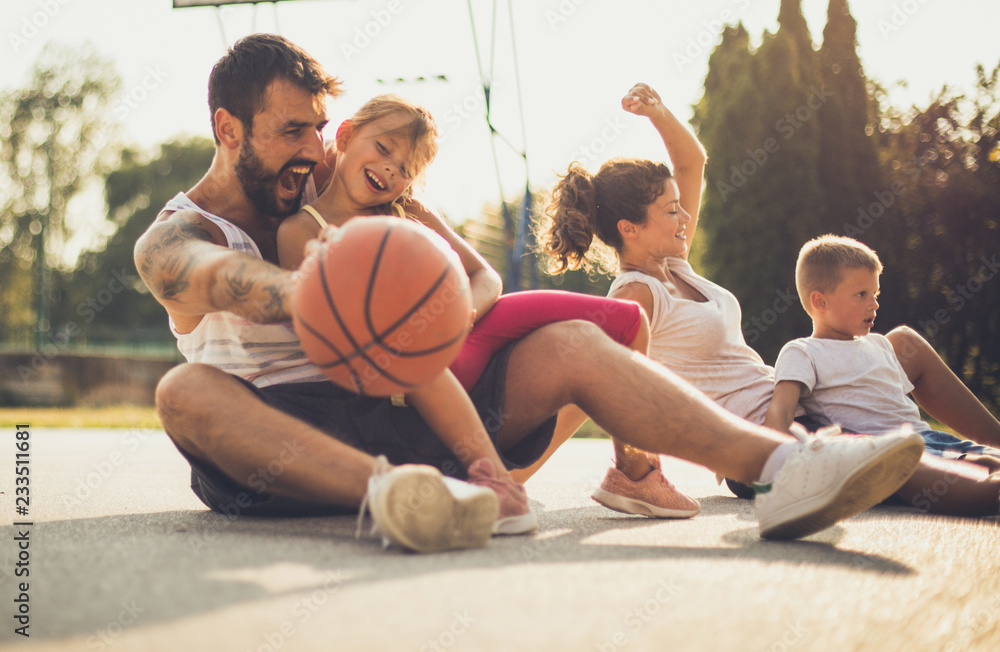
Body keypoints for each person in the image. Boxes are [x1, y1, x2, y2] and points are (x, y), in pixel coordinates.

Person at [135, 35, 924, 553]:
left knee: (576, 340)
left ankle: (784, 468)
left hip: (403, 415)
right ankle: (396, 499)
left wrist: (431, 296)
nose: (312, 151)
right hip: (279, 450)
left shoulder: (352, 209)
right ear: (229, 130)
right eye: (290, 133)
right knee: (184, 391)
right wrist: (325, 296)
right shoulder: (176, 235)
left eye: (318, 130)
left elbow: (462, 288)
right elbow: (211, 280)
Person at [536, 82, 998, 517]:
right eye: (670, 209)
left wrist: (657, 112)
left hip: (800, 402)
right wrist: (518, 470)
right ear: (629, 228)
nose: (685, 216)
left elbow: (692, 162)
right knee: (928, 471)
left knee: (903, 346)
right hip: (765, 441)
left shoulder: (674, 264)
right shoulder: (639, 293)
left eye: (681, 205)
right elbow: (601, 383)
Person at [277, 94, 699, 519]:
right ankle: (550, 477)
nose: (390, 169)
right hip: (411, 367)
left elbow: (486, 277)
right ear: (346, 135)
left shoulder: (408, 209)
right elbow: (339, 327)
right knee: (599, 342)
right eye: (384, 149)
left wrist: (462, 312)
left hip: (468, 329)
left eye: (405, 169)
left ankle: (632, 467)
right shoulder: (300, 231)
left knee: (627, 321)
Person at [765, 234, 1000, 482]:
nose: (874, 304)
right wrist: (772, 464)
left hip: (929, 437)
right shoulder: (802, 351)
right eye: (861, 295)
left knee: (991, 457)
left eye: (875, 294)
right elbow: (780, 410)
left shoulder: (879, 344)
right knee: (984, 468)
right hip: (887, 448)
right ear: (820, 301)